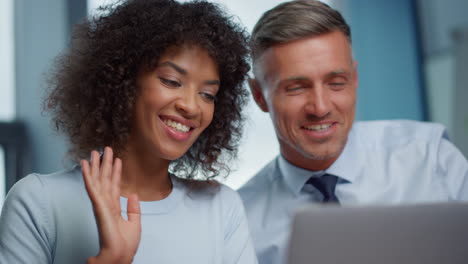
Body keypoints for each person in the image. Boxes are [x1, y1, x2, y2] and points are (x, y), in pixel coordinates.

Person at [0, 0, 258, 263]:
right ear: (122, 82)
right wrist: (112, 259)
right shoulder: (39, 201)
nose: (191, 106)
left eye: (207, 94)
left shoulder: (221, 207)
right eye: (171, 81)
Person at [237, 1, 468, 264]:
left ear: (354, 79)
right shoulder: (239, 221)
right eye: (296, 88)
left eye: (336, 83)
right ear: (259, 96)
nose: (321, 108)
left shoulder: (431, 157)